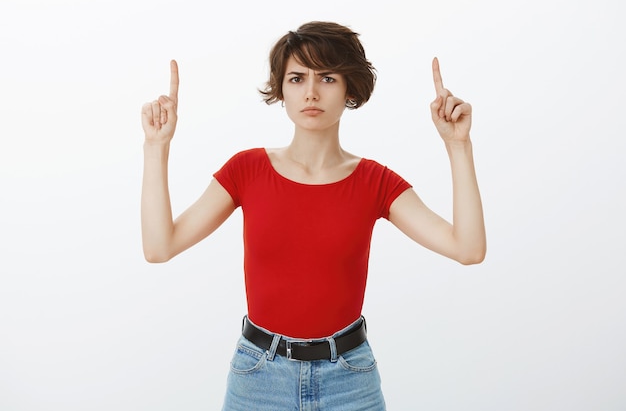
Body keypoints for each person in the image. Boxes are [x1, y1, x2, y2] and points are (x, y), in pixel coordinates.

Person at [140, 21, 485, 411]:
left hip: (350, 381)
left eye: (327, 77)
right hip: (258, 379)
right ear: (281, 90)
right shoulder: (246, 170)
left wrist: (459, 146)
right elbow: (159, 246)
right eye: (296, 78)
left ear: (349, 89)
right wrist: (156, 146)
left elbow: (468, 248)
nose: (310, 92)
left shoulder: (375, 182)